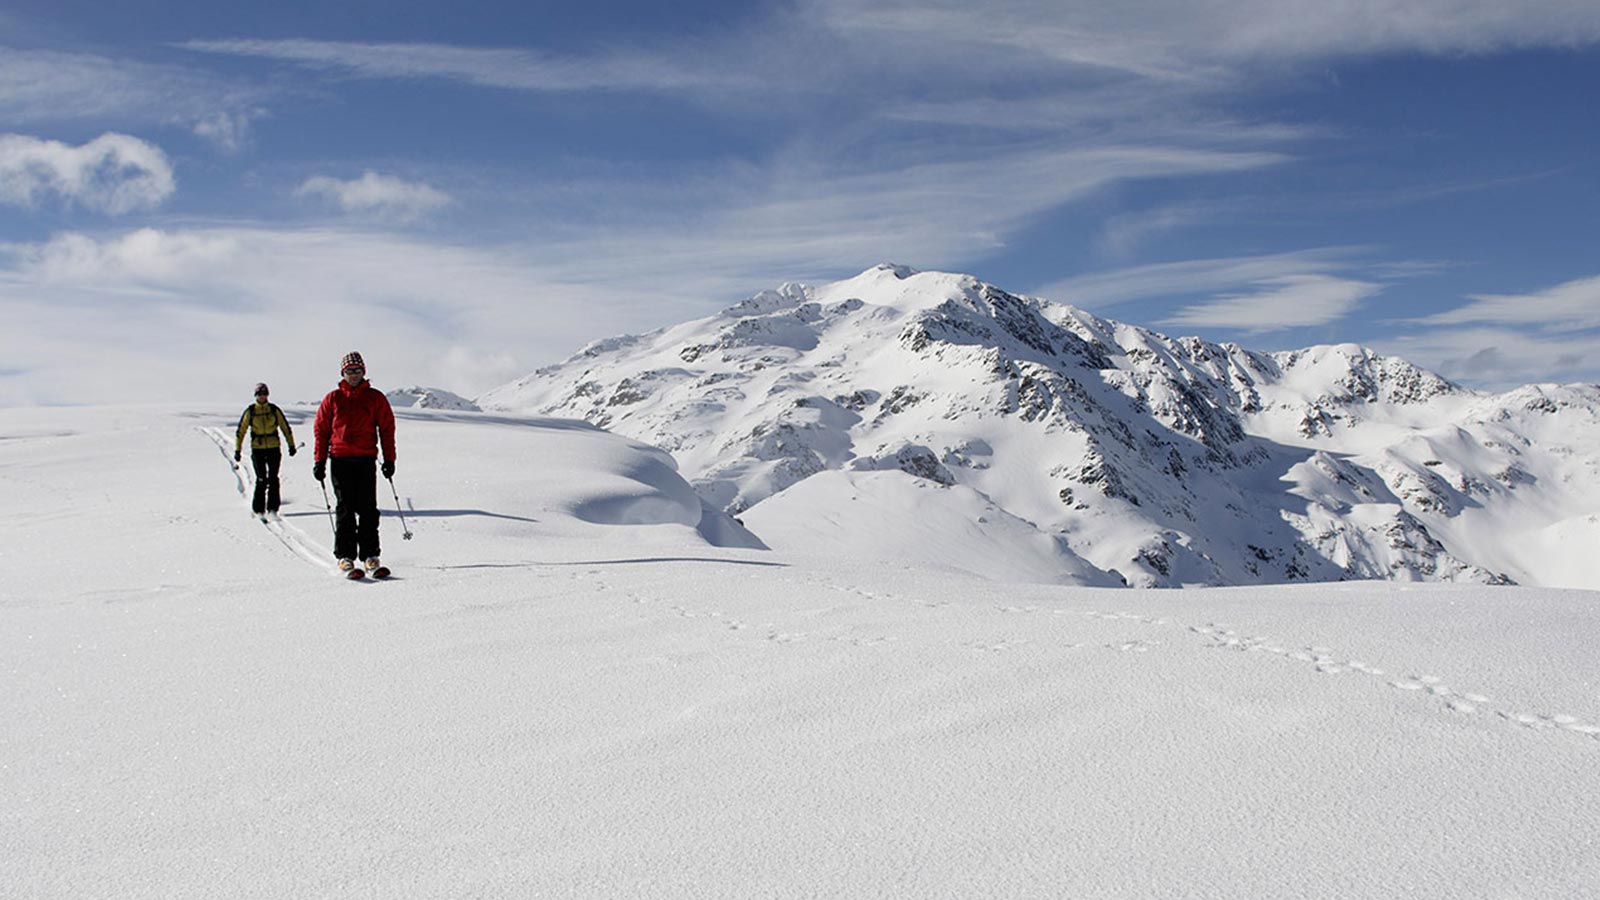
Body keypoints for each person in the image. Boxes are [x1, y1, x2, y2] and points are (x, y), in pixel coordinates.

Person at [312, 351, 397, 575]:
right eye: (349, 371)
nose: (353, 375)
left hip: (366, 459)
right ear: (343, 373)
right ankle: (345, 556)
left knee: (368, 508)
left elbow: (387, 429)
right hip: (340, 459)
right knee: (345, 508)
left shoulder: (375, 398)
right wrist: (319, 460)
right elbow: (321, 431)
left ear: (364, 372)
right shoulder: (332, 398)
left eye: (357, 371)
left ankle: (371, 555)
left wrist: (389, 459)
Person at [235, 382, 296, 516]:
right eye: (259, 394)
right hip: (258, 449)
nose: (262, 396)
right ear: (256, 395)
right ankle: (258, 509)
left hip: (274, 447)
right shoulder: (251, 411)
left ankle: (273, 509)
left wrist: (291, 445)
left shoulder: (274, 410)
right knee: (261, 478)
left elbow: (285, 427)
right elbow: (241, 431)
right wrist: (237, 450)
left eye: (264, 394)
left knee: (273, 478)